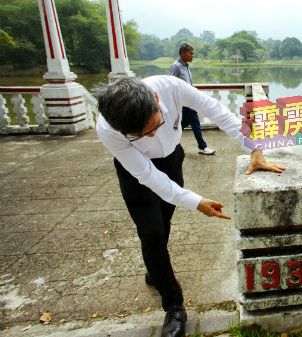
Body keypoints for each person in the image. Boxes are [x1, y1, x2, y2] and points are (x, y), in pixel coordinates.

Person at [95, 76, 285, 337]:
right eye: (142, 135)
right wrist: (196, 202)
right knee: (151, 233)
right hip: (136, 172)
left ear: (157, 100)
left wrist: (254, 147)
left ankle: (155, 270)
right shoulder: (107, 128)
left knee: (164, 222)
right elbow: (148, 176)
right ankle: (173, 305)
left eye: (156, 125)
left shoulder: (171, 87)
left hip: (172, 160)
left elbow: (217, 112)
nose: (152, 135)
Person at [169, 42, 215, 155]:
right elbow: (171, 83)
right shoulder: (176, 66)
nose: (192, 55)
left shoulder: (186, 66)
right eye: (190, 53)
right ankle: (202, 146)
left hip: (190, 98)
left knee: (185, 122)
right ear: (182, 53)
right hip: (185, 100)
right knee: (195, 121)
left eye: (193, 53)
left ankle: (168, 137)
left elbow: (187, 84)